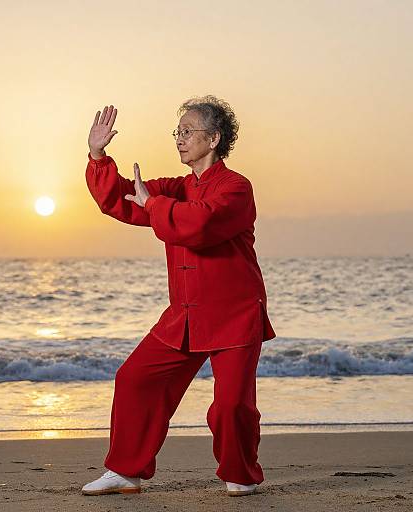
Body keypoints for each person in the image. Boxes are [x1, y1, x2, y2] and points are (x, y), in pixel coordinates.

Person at [81, 97, 276, 497]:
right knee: (135, 379)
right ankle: (124, 470)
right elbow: (122, 200)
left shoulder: (236, 187)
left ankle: (241, 474)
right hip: (185, 314)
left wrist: (153, 205)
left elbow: (201, 224)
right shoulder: (177, 188)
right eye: (178, 132)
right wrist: (98, 156)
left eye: (188, 132)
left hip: (235, 312)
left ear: (215, 138)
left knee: (230, 407)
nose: (180, 139)